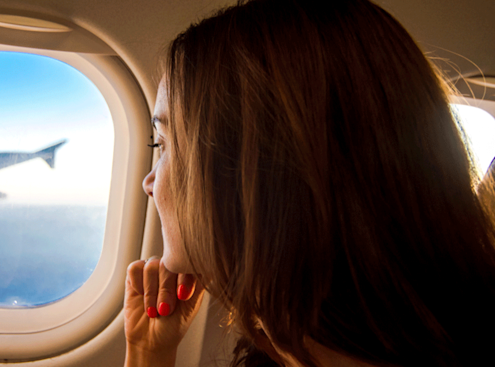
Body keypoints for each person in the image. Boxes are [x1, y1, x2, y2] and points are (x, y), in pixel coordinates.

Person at [124, 0, 495, 366]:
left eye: (165, 144)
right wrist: (147, 352)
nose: (148, 182)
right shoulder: (284, 345)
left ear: (256, 172)